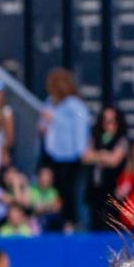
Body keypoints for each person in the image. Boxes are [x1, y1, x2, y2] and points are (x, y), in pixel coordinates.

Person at [39, 68, 90, 228]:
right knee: (57, 192)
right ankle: (59, 223)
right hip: (53, 155)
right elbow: (42, 125)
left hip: (71, 156)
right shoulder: (50, 101)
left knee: (71, 193)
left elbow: (81, 126)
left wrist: (81, 151)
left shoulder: (74, 105)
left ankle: (74, 223)